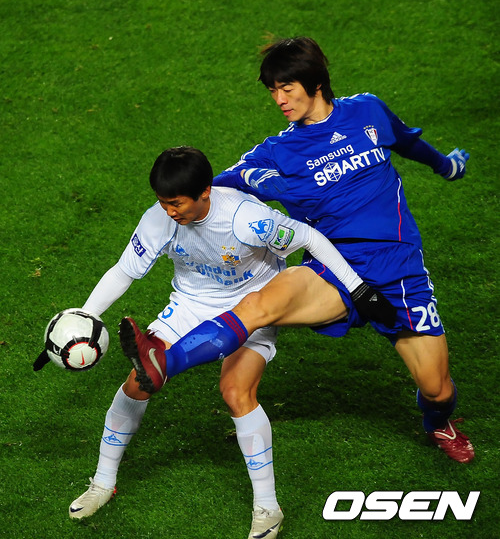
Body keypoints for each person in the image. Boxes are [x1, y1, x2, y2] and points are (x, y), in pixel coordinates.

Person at [124, 38, 474, 466]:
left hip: (399, 268)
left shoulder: (368, 112)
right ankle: (162, 362)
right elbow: (211, 188)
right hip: (332, 268)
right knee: (260, 304)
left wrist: (446, 166)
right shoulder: (277, 151)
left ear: (316, 83)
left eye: (286, 88)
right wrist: (189, 200)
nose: (279, 99)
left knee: (437, 388)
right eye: (273, 90)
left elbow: (407, 142)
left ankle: (438, 423)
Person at [40, 146, 393, 538]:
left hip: (251, 307)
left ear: (205, 191)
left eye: (176, 203)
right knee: (137, 383)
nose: (168, 211)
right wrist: (87, 315)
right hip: (190, 305)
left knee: (236, 392)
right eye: (162, 202)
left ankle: (268, 508)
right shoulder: (159, 218)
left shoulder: (246, 219)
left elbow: (309, 236)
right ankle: (103, 483)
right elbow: (125, 271)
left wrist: (358, 289)